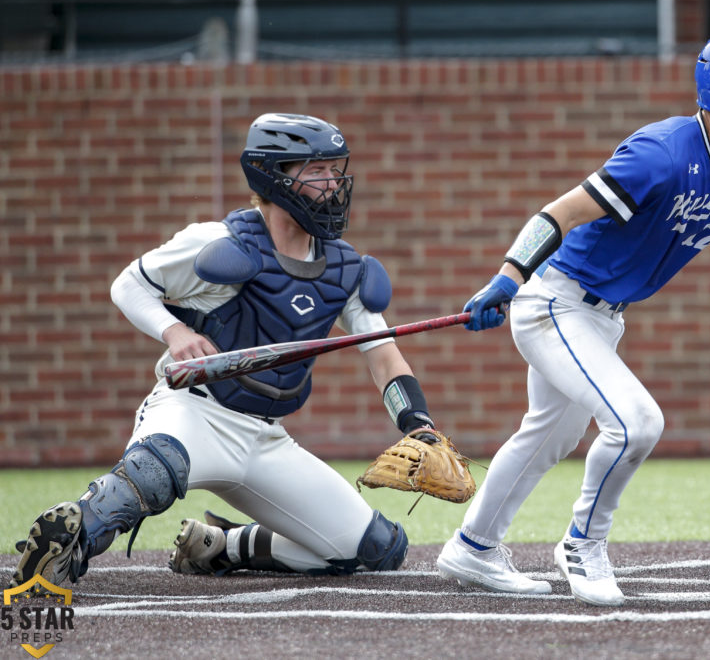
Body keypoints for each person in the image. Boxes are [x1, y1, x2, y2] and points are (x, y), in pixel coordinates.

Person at [436, 31, 710, 606]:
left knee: (549, 435)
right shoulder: (660, 153)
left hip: (603, 318)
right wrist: (508, 279)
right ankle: (583, 545)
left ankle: (473, 546)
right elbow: (558, 213)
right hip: (556, 304)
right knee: (637, 423)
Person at [10, 113, 443, 587]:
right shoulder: (219, 243)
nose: (332, 184)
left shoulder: (344, 268)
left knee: (377, 549)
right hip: (195, 412)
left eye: (336, 171)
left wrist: (418, 426)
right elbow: (129, 285)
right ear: (273, 176)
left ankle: (220, 546)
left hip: (266, 439)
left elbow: (383, 357)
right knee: (154, 475)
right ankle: (65, 542)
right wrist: (174, 332)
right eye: (316, 171)